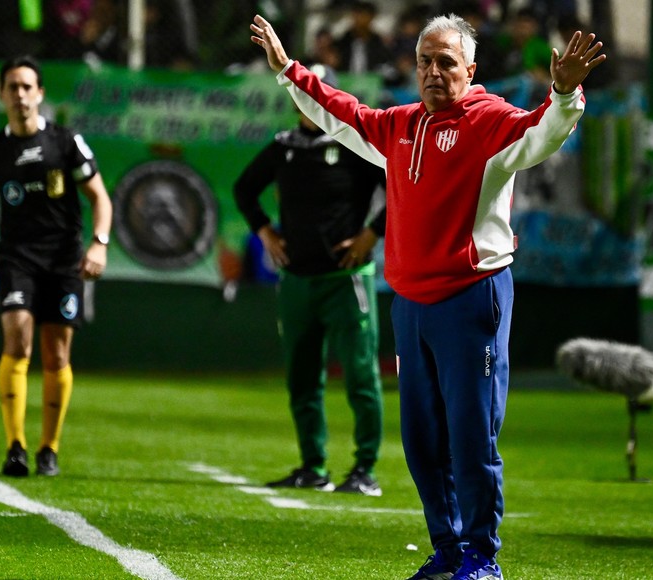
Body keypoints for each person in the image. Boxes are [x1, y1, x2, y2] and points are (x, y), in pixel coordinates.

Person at [250, 11, 604, 580]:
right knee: (421, 441)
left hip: (472, 298)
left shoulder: (491, 122)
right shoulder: (401, 126)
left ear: (470, 68)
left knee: (472, 436)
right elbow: (344, 116)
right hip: (410, 305)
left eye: (446, 62)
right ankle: (447, 550)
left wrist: (563, 92)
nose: (434, 73)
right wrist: (288, 69)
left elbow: (544, 133)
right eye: (425, 62)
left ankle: (482, 559)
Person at [233, 64, 387, 496]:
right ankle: (312, 465)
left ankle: (365, 469)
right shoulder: (284, 147)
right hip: (297, 280)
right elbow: (244, 189)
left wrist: (371, 233)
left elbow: (400, 187)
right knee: (302, 376)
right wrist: (265, 232)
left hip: (346, 278)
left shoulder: (353, 143)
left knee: (360, 375)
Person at [0, 55, 113, 478]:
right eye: (12, 87)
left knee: (57, 351)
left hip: (64, 261)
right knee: (16, 340)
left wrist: (99, 245)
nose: (20, 95)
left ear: (41, 94)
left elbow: (100, 198)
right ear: (1, 94)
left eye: (27, 86)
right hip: (17, 260)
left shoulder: (66, 143)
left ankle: (49, 448)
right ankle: (15, 446)